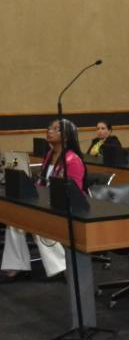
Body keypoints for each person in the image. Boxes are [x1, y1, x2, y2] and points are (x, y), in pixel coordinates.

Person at [0, 119, 87, 283]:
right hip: (47, 204)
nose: (50, 131)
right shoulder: (49, 155)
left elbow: (73, 194)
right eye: (49, 128)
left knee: (38, 223)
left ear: (67, 136)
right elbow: (42, 184)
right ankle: (17, 265)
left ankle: (63, 267)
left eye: (56, 129)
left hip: (66, 209)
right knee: (14, 220)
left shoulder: (72, 160)